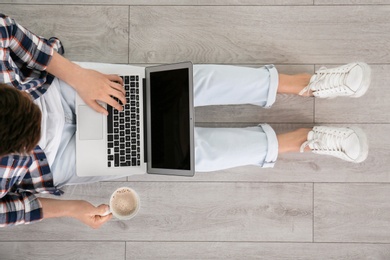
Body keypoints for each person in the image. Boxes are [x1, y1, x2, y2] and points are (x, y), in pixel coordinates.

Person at [0, 14, 371, 229]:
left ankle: (305, 86)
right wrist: (75, 208)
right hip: (53, 162)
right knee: (178, 152)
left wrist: (77, 75)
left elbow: (7, 32)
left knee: (175, 88)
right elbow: (12, 210)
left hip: (54, 90)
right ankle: (303, 141)